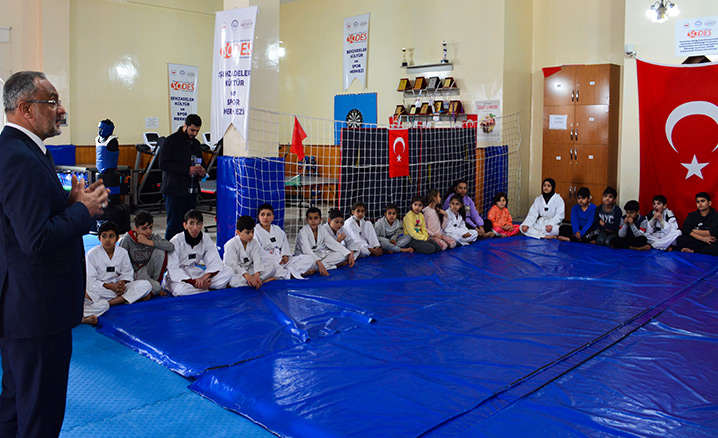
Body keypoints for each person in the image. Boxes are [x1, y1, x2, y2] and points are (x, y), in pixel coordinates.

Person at [0, 71, 108, 438]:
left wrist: (69, 203)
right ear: (26, 108)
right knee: (40, 414)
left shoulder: (24, 151)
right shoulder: (19, 157)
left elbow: (22, 221)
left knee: (17, 405)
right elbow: (35, 238)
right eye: (52, 102)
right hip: (37, 311)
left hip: (24, 308)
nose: (60, 110)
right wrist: (82, 211)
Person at [83, 221, 152, 322]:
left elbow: (127, 273)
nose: (107, 240)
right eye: (104, 236)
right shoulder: (92, 254)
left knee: (146, 285)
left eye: (111, 236)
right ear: (99, 238)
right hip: (101, 289)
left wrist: (121, 284)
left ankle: (111, 303)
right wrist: (111, 286)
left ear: (117, 238)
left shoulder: (122, 253)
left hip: (118, 290)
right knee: (93, 296)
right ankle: (119, 301)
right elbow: (91, 280)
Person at [163, 209, 233, 296]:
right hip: (180, 278)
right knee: (182, 290)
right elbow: (173, 269)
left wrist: (204, 278)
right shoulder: (176, 241)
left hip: (196, 273)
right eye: (191, 223)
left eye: (198, 224)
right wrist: (194, 282)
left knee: (229, 271)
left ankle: (202, 288)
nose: (195, 228)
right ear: (185, 225)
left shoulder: (205, 238)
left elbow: (214, 262)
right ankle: (206, 288)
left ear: (202, 225)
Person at [159, 114, 206, 240]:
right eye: (192, 130)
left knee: (190, 224)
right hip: (174, 190)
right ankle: (169, 250)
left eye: (197, 131)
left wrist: (202, 171)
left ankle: (188, 248)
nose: (194, 133)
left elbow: (202, 162)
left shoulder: (196, 144)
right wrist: (187, 170)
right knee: (174, 224)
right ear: (185, 126)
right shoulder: (170, 141)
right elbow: (163, 164)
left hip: (192, 190)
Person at [118, 210, 175, 295]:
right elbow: (120, 261)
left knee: (160, 251)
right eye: (144, 228)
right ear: (136, 229)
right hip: (135, 273)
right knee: (156, 288)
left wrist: (149, 242)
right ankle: (151, 289)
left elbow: (171, 247)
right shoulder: (127, 240)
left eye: (150, 227)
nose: (148, 231)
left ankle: (155, 284)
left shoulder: (153, 237)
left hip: (148, 269)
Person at [253, 203, 315, 278]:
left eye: (268, 215)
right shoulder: (255, 231)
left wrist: (285, 255)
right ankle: (293, 274)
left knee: (310, 259)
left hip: (283, 260)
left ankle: (289, 272)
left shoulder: (277, 229)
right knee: (270, 268)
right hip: (269, 261)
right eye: (262, 215)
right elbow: (259, 251)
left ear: (273, 217)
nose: (265, 217)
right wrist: (276, 259)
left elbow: (285, 244)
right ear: (258, 217)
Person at [224, 216, 279, 289]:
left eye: (252, 232)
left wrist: (256, 276)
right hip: (236, 272)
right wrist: (247, 276)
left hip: (249, 269)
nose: (251, 235)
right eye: (247, 232)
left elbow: (257, 260)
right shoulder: (231, 244)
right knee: (234, 281)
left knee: (271, 266)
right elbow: (233, 265)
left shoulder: (254, 242)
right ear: (238, 232)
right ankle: (259, 282)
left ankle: (255, 282)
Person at [295, 207, 354, 275]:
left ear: (320, 220)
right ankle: (330, 266)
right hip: (305, 258)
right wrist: (319, 263)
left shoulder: (322, 230)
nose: (313, 221)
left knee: (343, 254)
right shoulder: (303, 232)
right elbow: (307, 250)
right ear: (307, 220)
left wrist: (348, 253)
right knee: (310, 261)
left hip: (318, 256)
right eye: (310, 218)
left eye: (315, 218)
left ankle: (316, 268)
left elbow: (332, 243)